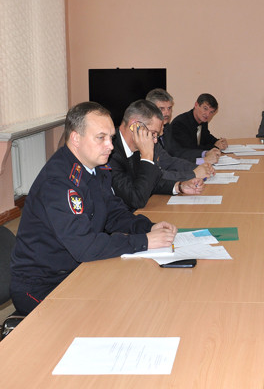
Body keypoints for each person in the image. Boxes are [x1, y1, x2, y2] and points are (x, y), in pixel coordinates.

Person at [9, 102, 178, 315]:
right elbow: (84, 246)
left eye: (111, 137)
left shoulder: (95, 168)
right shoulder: (58, 182)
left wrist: (148, 227)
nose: (110, 145)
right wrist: (144, 241)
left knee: (138, 296)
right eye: (101, 138)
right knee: (109, 316)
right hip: (42, 285)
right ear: (75, 138)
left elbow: (114, 214)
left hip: (77, 271)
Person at [109, 100, 205, 210]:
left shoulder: (136, 147)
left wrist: (179, 186)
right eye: (153, 133)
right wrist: (147, 157)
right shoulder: (110, 153)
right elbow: (136, 199)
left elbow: (151, 182)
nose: (155, 140)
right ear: (134, 126)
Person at [146, 88, 220, 165]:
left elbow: (178, 153)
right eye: (162, 109)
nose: (167, 113)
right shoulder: (146, 134)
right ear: (150, 109)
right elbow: (164, 163)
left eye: (169, 108)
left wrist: (204, 154)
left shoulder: (167, 128)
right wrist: (202, 161)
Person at [170, 93, 228, 162]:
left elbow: (206, 137)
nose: (207, 114)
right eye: (205, 109)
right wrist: (215, 147)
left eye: (211, 112)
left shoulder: (203, 121)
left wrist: (218, 141)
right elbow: (191, 149)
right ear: (196, 105)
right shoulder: (179, 124)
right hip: (182, 163)